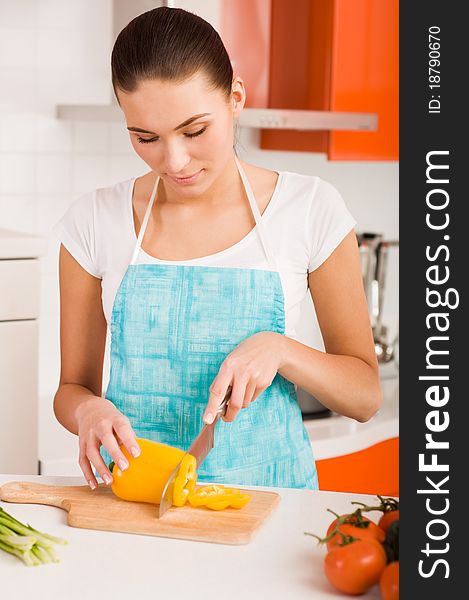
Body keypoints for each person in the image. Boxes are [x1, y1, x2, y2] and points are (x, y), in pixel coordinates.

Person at [53, 7, 381, 492]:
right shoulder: (94, 220)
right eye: (146, 137)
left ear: (235, 98)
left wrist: (281, 350)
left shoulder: (309, 208)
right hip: (138, 507)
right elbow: (70, 389)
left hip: (274, 510)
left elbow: (365, 397)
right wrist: (88, 410)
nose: (175, 160)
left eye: (194, 130)